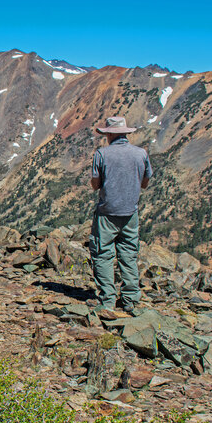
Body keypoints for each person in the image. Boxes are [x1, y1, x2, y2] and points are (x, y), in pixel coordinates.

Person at [89, 116, 152, 312]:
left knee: (102, 254)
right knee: (129, 254)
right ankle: (131, 299)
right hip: (130, 213)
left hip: (107, 212)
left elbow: (95, 184)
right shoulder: (140, 154)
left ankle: (107, 300)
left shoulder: (102, 154)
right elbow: (145, 181)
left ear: (110, 134)